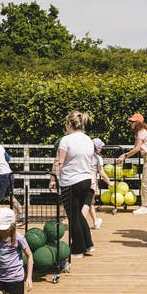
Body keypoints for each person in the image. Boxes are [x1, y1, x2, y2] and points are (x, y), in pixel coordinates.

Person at [49, 111, 95, 262]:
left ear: (69, 124)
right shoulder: (88, 139)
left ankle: (78, 249)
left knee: (73, 216)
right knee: (79, 215)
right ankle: (88, 245)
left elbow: (59, 161)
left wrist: (53, 178)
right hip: (86, 180)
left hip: (70, 182)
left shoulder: (66, 140)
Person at [120, 113, 147, 216]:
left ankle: (145, 207)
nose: (131, 123)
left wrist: (124, 156)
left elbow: (137, 148)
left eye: (133, 121)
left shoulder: (141, 132)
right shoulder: (141, 132)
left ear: (138, 123)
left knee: (146, 183)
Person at [86, 138, 112, 230]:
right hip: (91, 181)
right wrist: (109, 182)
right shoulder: (98, 158)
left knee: (83, 203)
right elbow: (101, 172)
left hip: (81, 179)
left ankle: (94, 221)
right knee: (89, 203)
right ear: (98, 148)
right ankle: (94, 221)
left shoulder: (84, 156)